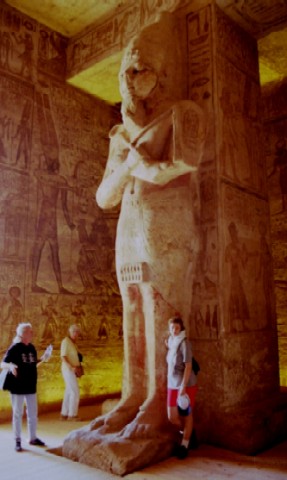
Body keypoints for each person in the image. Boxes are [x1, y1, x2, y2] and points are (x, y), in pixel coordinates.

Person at [0, 322, 51, 452]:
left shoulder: (32, 348)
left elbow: (32, 365)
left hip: (30, 385)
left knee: (33, 413)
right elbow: (3, 364)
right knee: (18, 413)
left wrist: (43, 359)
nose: (32, 333)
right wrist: (11, 366)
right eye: (30, 331)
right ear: (23, 334)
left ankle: (32, 438)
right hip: (17, 386)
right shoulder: (15, 348)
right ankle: (17, 440)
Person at [166, 316, 198, 459]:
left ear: (181, 328)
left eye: (177, 328)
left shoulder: (185, 344)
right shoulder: (172, 342)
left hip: (186, 385)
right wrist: (168, 345)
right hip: (172, 384)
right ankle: (189, 432)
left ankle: (185, 445)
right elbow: (173, 356)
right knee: (172, 417)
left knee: (187, 415)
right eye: (172, 328)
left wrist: (183, 387)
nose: (174, 330)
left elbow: (188, 366)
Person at [60, 324, 82, 420]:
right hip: (68, 370)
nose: (76, 334)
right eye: (74, 332)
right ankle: (72, 415)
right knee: (75, 392)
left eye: (77, 332)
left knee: (69, 391)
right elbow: (63, 356)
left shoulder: (73, 343)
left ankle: (64, 414)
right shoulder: (66, 341)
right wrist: (72, 367)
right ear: (70, 332)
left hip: (72, 369)